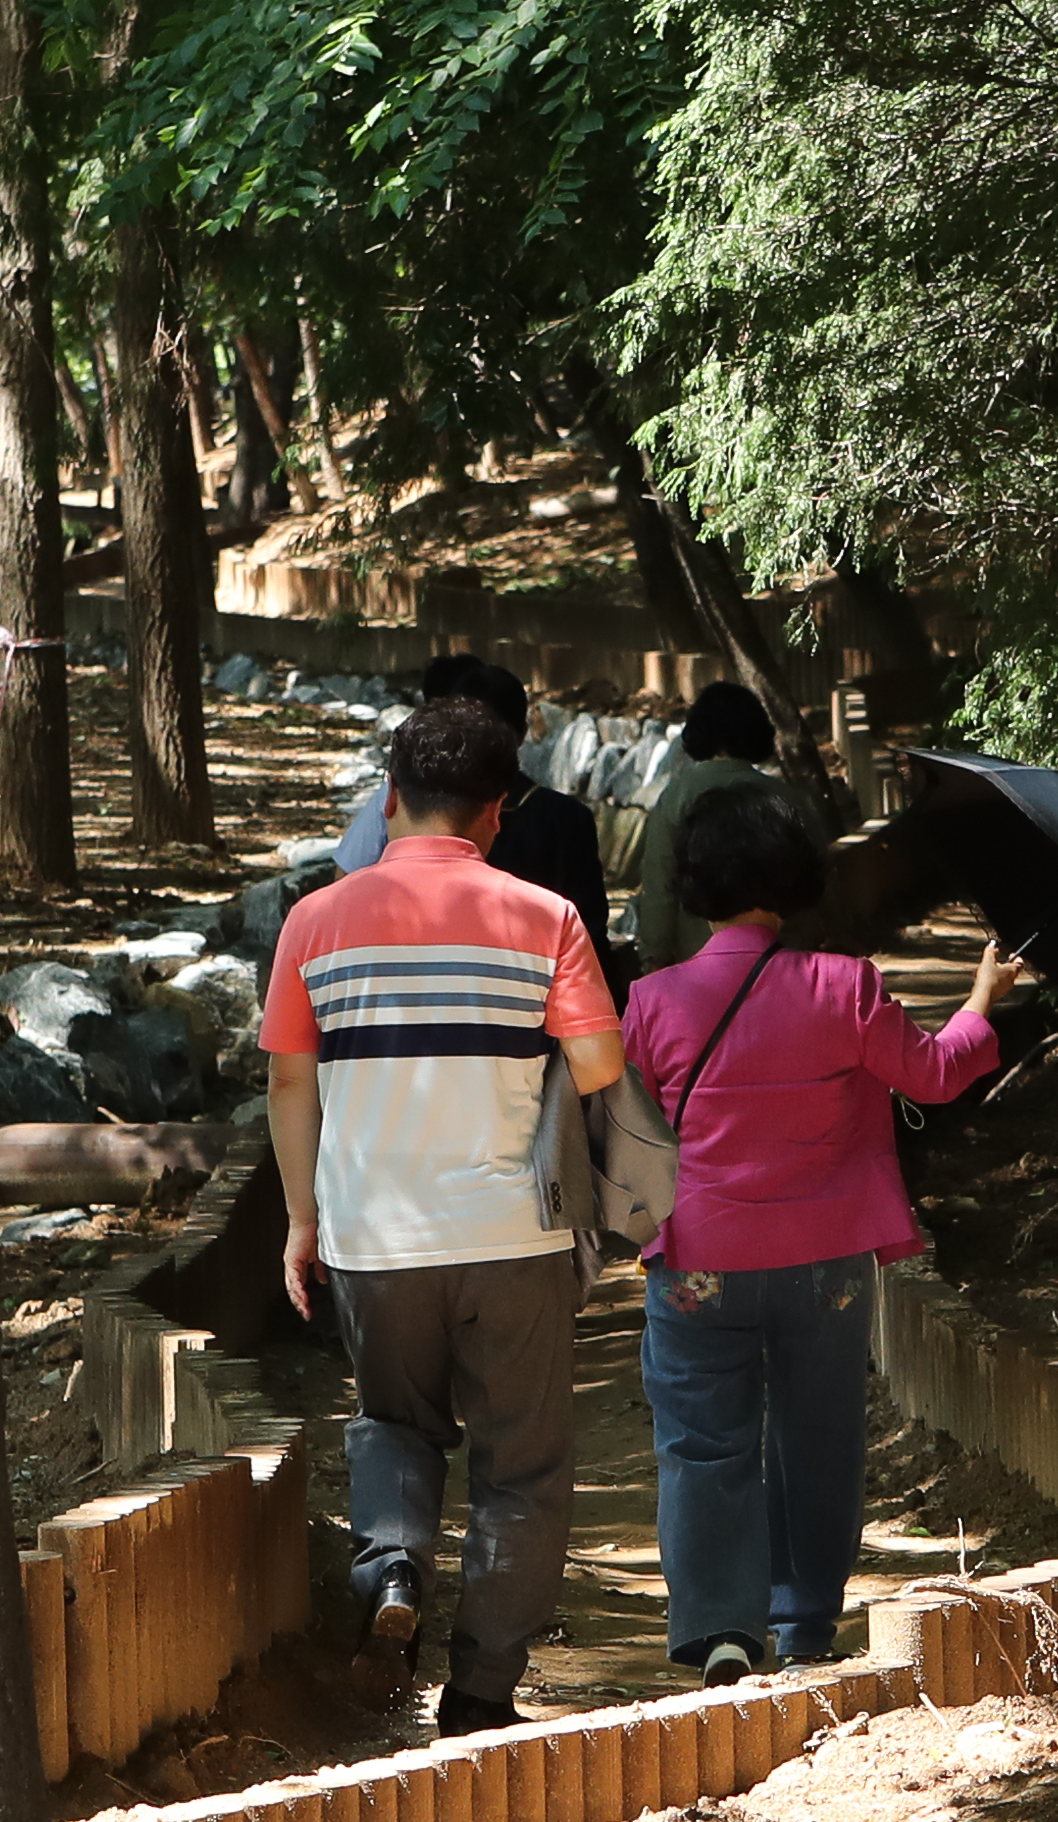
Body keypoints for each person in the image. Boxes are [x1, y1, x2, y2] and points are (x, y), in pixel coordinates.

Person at [265, 694, 628, 1731]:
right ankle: (478, 1696)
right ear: (496, 813)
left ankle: (392, 1577)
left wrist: (304, 1223)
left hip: (375, 1239)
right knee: (521, 1465)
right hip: (515, 1235)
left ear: (389, 802)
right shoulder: (542, 918)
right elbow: (599, 1065)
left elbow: (291, 1086)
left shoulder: (315, 922)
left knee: (394, 1423)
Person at [623, 785, 1014, 1676]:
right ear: (793, 875)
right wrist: (980, 1001)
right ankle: (802, 1629)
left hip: (699, 1258)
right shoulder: (845, 985)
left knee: (700, 1442)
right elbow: (937, 1076)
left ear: (697, 883)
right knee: (820, 1435)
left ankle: (722, 1627)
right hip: (826, 1263)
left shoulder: (652, 1002)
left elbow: (621, 1124)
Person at [334, 653, 622, 997]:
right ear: (523, 732)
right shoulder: (567, 818)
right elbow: (590, 933)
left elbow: (346, 884)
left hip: (426, 992)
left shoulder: (419, 801)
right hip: (539, 998)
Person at [626, 679, 787, 974]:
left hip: (698, 962)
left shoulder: (677, 796)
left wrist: (655, 954)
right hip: (781, 958)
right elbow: (819, 875)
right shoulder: (784, 796)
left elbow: (660, 881)